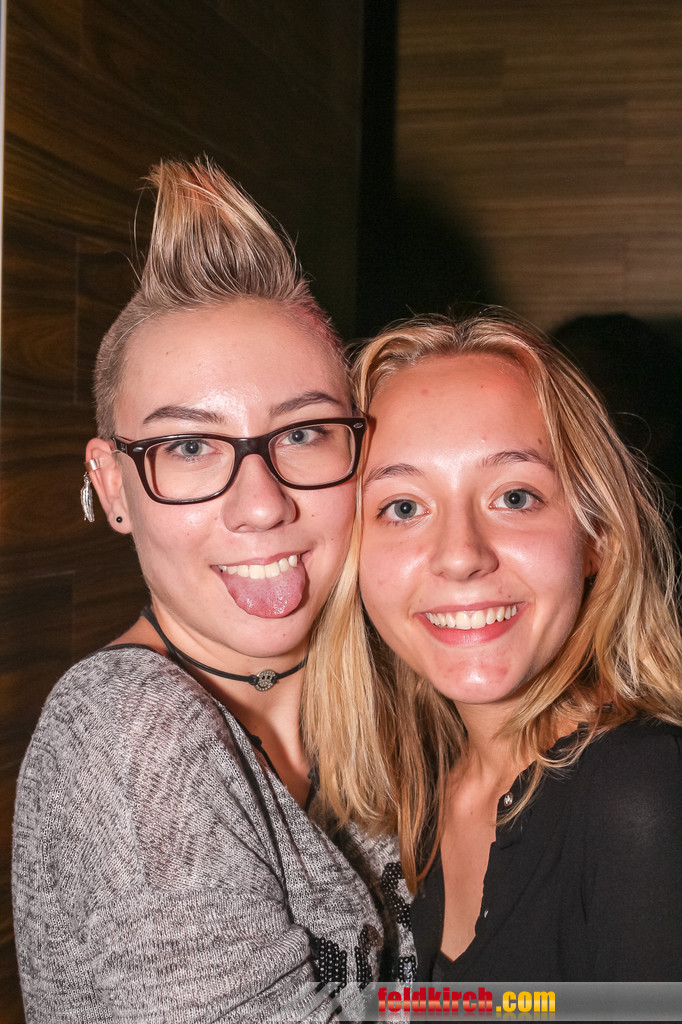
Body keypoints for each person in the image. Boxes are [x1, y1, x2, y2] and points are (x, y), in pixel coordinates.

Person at [12, 159, 415, 1023]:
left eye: (302, 432)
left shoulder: (387, 680)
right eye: (189, 448)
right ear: (113, 487)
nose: (262, 505)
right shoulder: (132, 731)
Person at [310, 309, 682, 981]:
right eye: (403, 507)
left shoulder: (643, 795)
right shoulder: (415, 798)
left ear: (596, 537)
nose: (460, 556)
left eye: (514, 497)